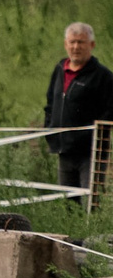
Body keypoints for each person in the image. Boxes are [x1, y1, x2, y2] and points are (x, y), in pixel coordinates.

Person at [45, 22, 113, 197]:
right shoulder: (59, 70)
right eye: (72, 42)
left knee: (91, 202)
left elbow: (109, 112)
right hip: (64, 150)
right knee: (67, 203)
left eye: (81, 42)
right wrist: (49, 130)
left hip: (90, 152)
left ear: (92, 45)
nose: (76, 47)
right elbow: (50, 103)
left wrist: (88, 136)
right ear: (66, 44)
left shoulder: (103, 76)